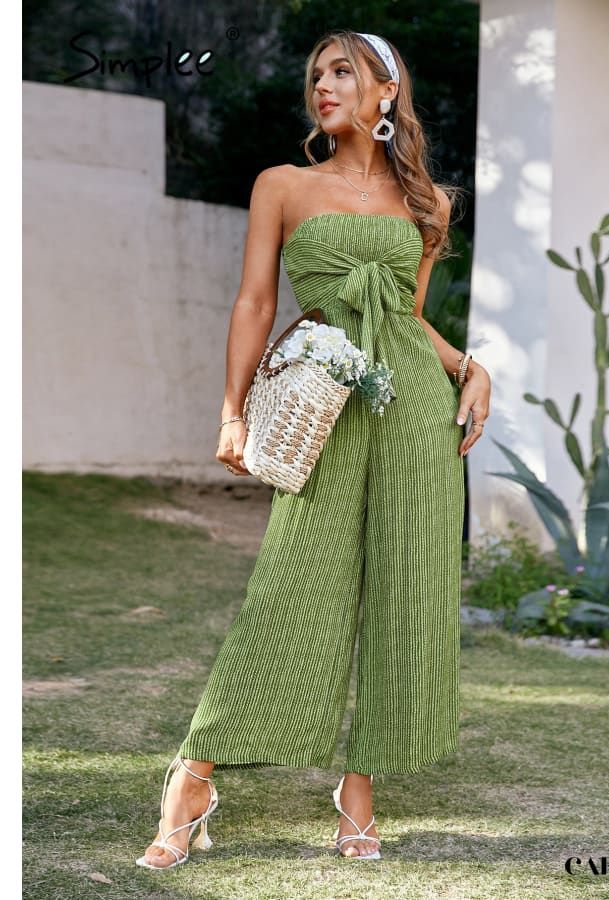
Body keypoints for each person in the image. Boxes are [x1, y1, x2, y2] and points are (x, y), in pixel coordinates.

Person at [135, 28, 491, 869]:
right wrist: (232, 414)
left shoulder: (427, 205)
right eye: (317, 75)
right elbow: (256, 303)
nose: (323, 86)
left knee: (406, 590)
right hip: (324, 405)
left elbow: (406, 317)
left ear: (387, 92)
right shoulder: (283, 184)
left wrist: (471, 367)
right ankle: (195, 775)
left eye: (343, 72)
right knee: (293, 585)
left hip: (413, 408)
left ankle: (358, 791)